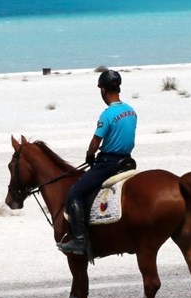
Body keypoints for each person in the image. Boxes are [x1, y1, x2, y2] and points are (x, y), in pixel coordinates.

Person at [56, 69, 138, 254]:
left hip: (109, 163)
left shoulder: (107, 115)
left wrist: (89, 154)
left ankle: (79, 240)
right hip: (127, 160)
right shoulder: (131, 111)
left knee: (74, 193)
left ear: (103, 90)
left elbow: (95, 142)